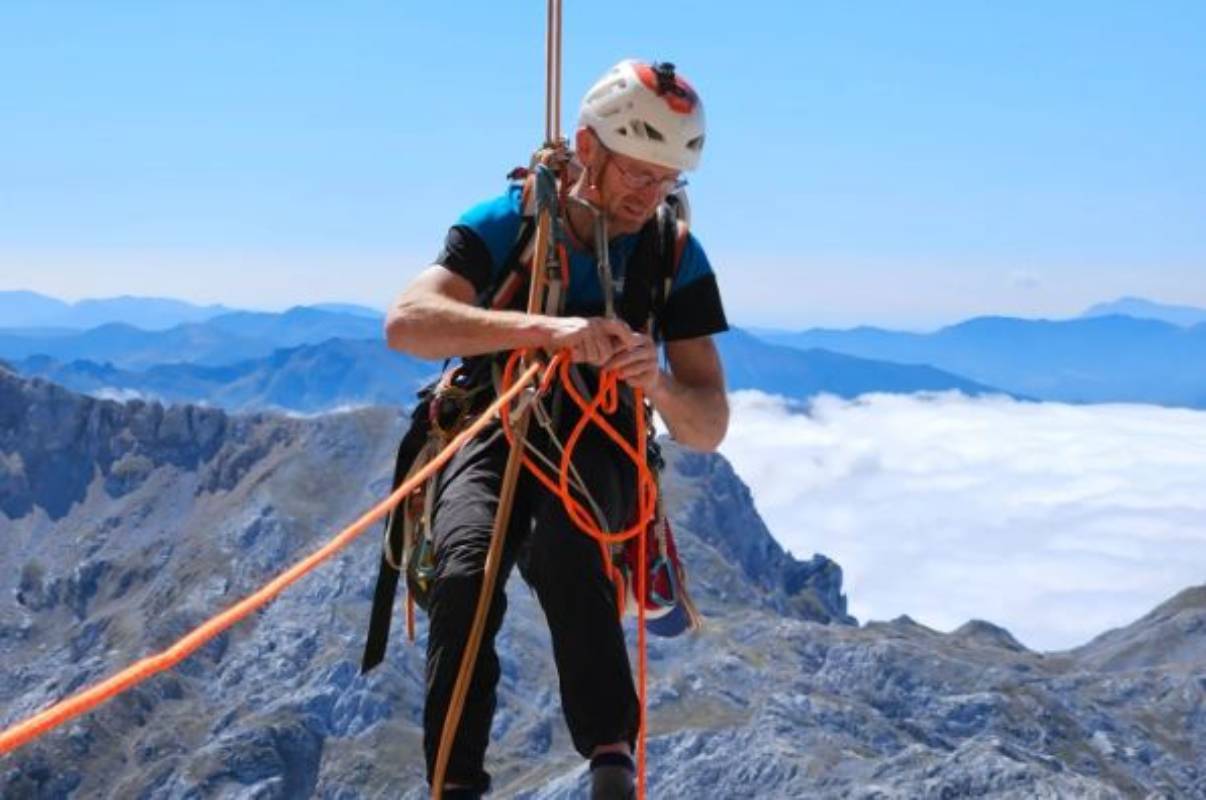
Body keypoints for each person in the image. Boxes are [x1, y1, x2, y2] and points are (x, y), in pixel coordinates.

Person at [385, 59, 729, 799]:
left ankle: (610, 759)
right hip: (490, 417)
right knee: (465, 573)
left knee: (572, 548)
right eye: (638, 173)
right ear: (587, 146)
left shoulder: (672, 253)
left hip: (600, 430)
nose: (651, 195)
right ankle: (455, 784)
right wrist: (547, 330)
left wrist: (656, 382)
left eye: (666, 180)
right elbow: (408, 322)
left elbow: (707, 425)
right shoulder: (508, 221)